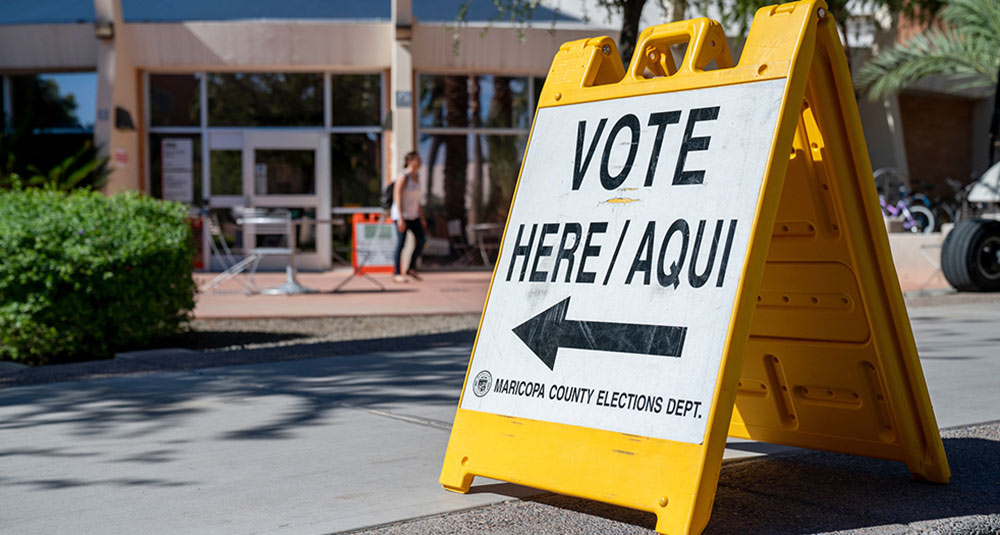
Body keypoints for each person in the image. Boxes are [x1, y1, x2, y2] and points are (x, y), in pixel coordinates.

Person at [391, 151, 426, 283]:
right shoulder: (403, 176)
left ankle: (411, 268)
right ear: (410, 161)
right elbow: (397, 196)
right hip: (402, 216)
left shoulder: (417, 176)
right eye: (418, 160)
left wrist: (421, 217)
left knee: (422, 240)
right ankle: (396, 273)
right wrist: (400, 218)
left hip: (414, 215)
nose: (421, 162)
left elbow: (417, 200)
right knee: (401, 243)